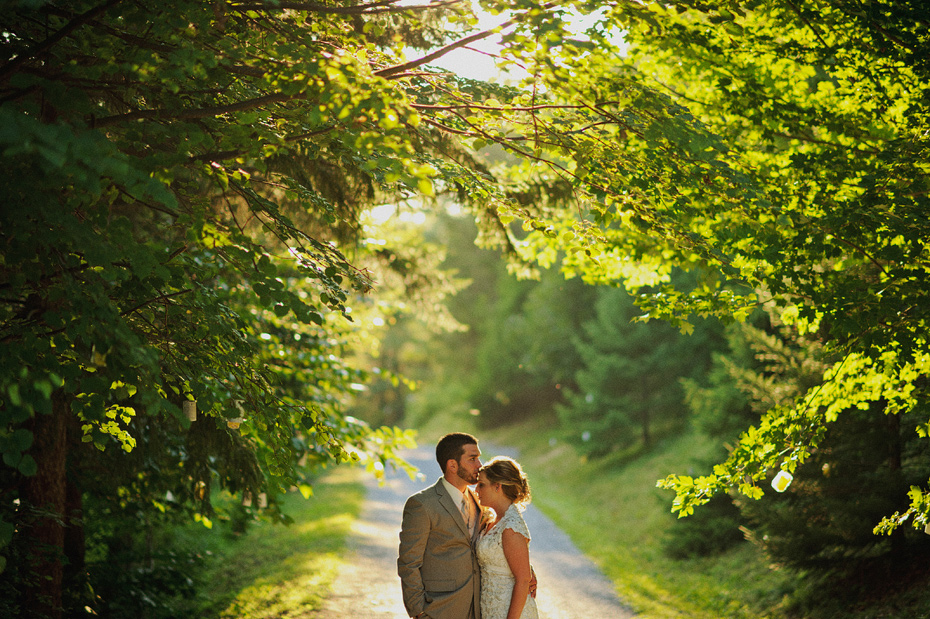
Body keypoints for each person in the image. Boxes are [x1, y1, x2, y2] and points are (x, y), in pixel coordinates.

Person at [398, 432, 484, 619]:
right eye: (473, 459)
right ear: (452, 465)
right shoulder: (421, 504)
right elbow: (409, 563)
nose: (480, 465)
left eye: (479, 458)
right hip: (439, 610)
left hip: (477, 608)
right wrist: (419, 611)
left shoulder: (480, 499)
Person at [474, 456, 538, 619]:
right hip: (490, 608)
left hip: (509, 612)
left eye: (481, 485)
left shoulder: (511, 527)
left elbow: (523, 580)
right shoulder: (492, 519)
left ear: (497, 487)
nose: (476, 490)